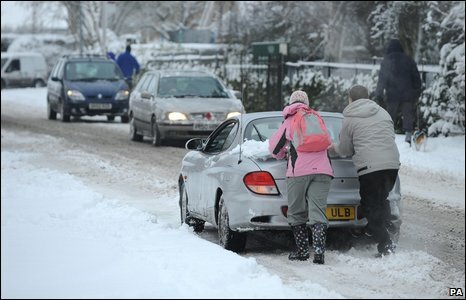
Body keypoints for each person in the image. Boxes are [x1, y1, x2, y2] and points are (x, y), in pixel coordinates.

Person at [329, 85, 400, 257]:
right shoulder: (383, 112)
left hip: (370, 168)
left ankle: (385, 244)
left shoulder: (350, 118)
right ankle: (378, 228)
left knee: (369, 206)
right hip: (392, 165)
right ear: (368, 97)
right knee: (381, 200)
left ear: (350, 99)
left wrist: (331, 149)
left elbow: (345, 149)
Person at [268, 90, 334, 264]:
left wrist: (284, 152)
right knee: (318, 211)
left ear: (291, 103)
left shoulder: (290, 120)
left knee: (297, 212)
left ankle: (303, 251)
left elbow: (275, 149)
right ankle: (319, 252)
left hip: (299, 172)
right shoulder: (316, 117)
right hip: (323, 171)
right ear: (307, 102)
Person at [375, 38, 422, 145]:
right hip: (407, 94)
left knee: (390, 116)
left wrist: (379, 93)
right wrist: (417, 92)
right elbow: (416, 77)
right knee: (408, 115)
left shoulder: (387, 60)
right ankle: (408, 137)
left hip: (392, 94)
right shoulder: (409, 60)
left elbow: (382, 79)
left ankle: (387, 137)